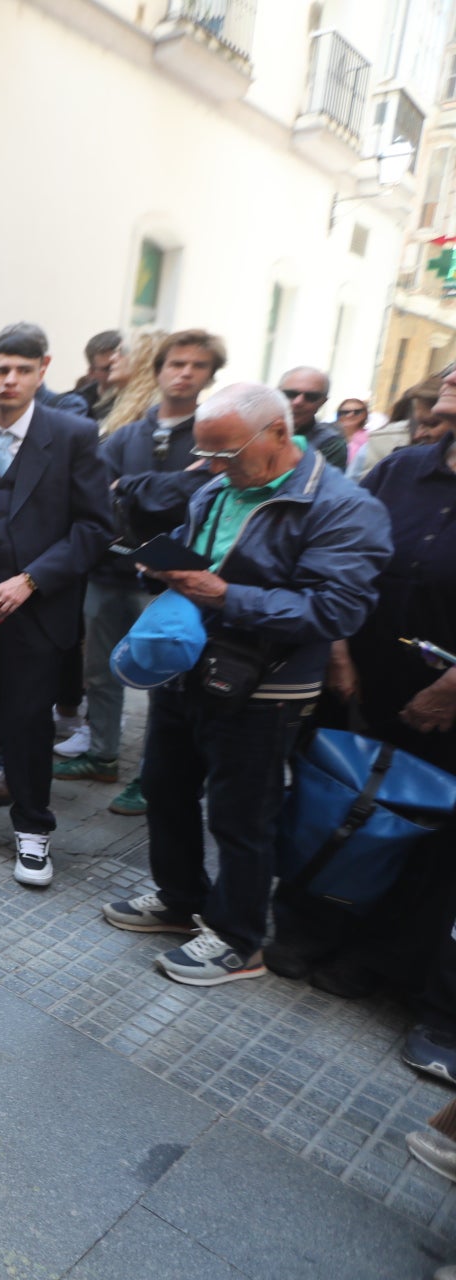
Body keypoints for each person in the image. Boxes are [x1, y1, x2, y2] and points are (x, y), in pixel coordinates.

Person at [101, 383, 391, 987]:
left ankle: (238, 939)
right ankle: (180, 899)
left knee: (242, 817)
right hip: (191, 667)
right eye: (205, 455)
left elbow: (336, 611)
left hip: (267, 688)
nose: (210, 468)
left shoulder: (342, 506)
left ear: (280, 435)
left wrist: (225, 596)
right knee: (165, 787)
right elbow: (202, 556)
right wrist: (165, 567)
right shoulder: (216, 484)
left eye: (224, 454)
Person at [267, 372, 456, 1007]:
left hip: (444, 709)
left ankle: (380, 959)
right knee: (330, 803)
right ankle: (305, 925)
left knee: (422, 829)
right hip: (358, 680)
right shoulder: (401, 468)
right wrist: (338, 645)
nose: (451, 374)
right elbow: (335, 548)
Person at [0, 323, 115, 887]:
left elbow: (95, 527)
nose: (9, 380)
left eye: (22, 370)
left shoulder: (74, 434)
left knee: (27, 722)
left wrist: (31, 580)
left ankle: (34, 828)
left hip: (37, 609)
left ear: (43, 370)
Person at [56, 329, 224, 810]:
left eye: (196, 365)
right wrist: (156, 487)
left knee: (167, 682)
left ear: (210, 375)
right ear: (158, 371)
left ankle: (152, 778)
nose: (185, 372)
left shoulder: (215, 435)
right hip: (111, 569)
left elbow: (199, 496)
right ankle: (103, 755)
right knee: (102, 671)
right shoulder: (129, 432)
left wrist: (130, 486)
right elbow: (95, 493)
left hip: (176, 581)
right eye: (176, 363)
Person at [276, 366, 349, 469]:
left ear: (323, 402)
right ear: (276, 393)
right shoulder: (252, 429)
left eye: (311, 397)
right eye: (291, 394)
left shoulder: (330, 444)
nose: (298, 402)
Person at [75, 329, 124, 421]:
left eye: (121, 354)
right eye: (108, 368)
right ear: (92, 372)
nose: (116, 366)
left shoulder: (142, 400)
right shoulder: (77, 404)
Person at [337, 396, 370, 467]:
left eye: (357, 412)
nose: (350, 415)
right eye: (345, 412)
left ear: (365, 415)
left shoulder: (370, 438)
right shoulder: (329, 435)